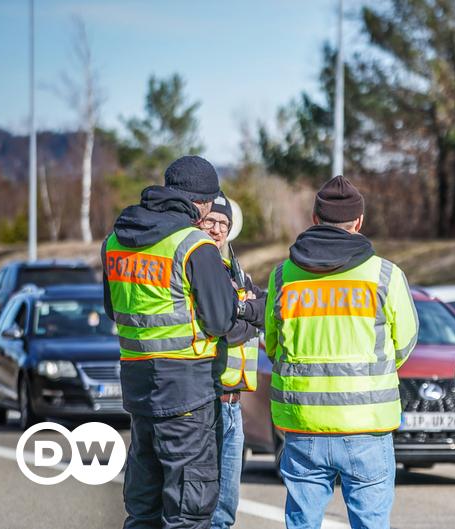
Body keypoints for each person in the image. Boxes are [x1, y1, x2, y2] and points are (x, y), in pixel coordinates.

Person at [102, 155, 254, 529]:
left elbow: (113, 309)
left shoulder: (115, 241)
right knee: (188, 512)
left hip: (138, 392)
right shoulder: (193, 245)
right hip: (188, 394)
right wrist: (247, 309)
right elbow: (219, 321)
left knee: (143, 509)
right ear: (201, 203)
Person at [264, 175, 419, 529]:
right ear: (359, 222)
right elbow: (405, 342)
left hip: (303, 425)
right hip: (366, 425)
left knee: (302, 522)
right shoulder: (385, 275)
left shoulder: (282, 277)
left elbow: (272, 345)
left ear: (315, 219)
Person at [202, 193, 266, 529]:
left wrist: (244, 314)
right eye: (210, 221)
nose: (216, 229)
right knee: (201, 505)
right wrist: (246, 317)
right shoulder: (197, 266)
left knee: (226, 510)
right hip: (206, 401)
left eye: (222, 224)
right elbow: (220, 326)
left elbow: (266, 308)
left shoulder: (234, 269)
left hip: (232, 403)